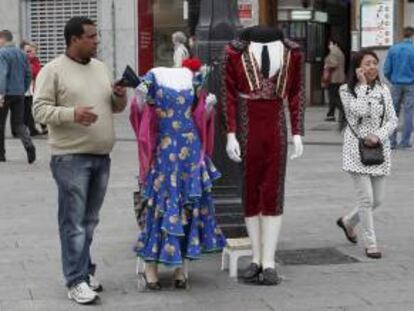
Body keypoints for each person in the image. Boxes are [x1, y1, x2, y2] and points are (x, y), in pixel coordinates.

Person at [32, 16, 127, 304]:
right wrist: (72, 114)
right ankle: (75, 280)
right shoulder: (52, 70)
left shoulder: (100, 67)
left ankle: (84, 271)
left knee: (89, 221)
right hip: (70, 157)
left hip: (101, 156)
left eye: (97, 36)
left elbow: (116, 108)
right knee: (73, 222)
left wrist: (119, 96)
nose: (97, 41)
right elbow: (38, 110)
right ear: (74, 39)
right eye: (91, 37)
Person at [130, 58, 226, 290]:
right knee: (160, 206)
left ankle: (180, 268)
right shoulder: (152, 77)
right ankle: (151, 268)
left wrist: (209, 108)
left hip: (190, 151)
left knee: (188, 208)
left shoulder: (193, 79)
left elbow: (198, 112)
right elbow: (140, 112)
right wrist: (140, 99)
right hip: (165, 150)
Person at [222, 26, 305, 285]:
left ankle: (268, 261)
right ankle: (257, 258)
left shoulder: (293, 53)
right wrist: (231, 133)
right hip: (248, 124)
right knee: (250, 188)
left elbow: (296, 93)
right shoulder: (234, 52)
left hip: (276, 124)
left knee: (273, 189)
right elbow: (228, 94)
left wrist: (297, 132)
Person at [337, 49, 397, 259]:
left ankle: (348, 221)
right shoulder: (346, 90)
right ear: (358, 68)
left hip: (379, 149)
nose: (372, 67)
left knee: (378, 200)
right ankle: (371, 243)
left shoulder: (384, 89)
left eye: (375, 63)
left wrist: (378, 136)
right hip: (356, 150)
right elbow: (359, 111)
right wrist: (362, 86)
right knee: (366, 200)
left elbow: (393, 120)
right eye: (368, 63)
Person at [0, 30, 35, 163]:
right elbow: (28, 73)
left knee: (0, 125)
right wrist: (23, 89)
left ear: (2, 39)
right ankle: (29, 146)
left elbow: (2, 74)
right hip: (19, 94)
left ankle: (1, 155)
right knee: (19, 124)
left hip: (5, 94)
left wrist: (1, 93)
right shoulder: (21, 54)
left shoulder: (2, 53)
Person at [384, 26, 414, 149]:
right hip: (411, 85)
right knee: (408, 113)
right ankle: (405, 142)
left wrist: (393, 80)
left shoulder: (393, 49)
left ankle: (391, 142)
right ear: (412, 36)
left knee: (393, 113)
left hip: (396, 84)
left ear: (403, 35)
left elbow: (386, 70)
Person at [21, 40, 42, 136]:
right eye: (29, 51)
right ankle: (27, 129)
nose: (32, 53)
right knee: (26, 110)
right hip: (24, 89)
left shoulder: (35, 61)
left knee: (29, 109)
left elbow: (36, 72)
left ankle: (31, 129)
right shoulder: (23, 60)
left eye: (33, 51)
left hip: (32, 89)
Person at [322, 39, 346, 122]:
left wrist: (327, 65)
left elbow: (334, 64)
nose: (329, 46)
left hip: (334, 78)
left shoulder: (333, 52)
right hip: (339, 78)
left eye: (330, 44)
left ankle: (344, 111)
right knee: (335, 96)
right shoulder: (340, 52)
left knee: (334, 97)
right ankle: (330, 114)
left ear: (334, 44)